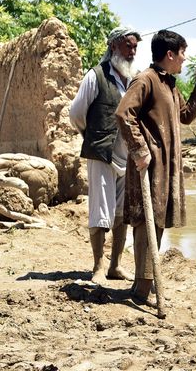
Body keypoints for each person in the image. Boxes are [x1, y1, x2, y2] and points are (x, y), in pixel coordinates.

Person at [115, 29, 196, 304]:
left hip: (166, 167)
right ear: (170, 54)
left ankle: (141, 285)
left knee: (154, 222)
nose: (184, 58)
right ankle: (142, 289)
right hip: (150, 166)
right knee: (148, 222)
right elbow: (124, 114)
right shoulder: (145, 80)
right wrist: (140, 150)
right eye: (182, 53)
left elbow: (186, 116)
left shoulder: (168, 84)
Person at [69, 26, 142, 285]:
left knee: (121, 212)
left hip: (127, 157)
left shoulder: (134, 79)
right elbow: (76, 114)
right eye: (128, 46)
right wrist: (92, 136)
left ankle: (115, 266)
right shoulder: (96, 76)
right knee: (100, 211)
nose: (132, 52)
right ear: (113, 46)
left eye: (135, 47)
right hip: (102, 154)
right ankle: (98, 266)